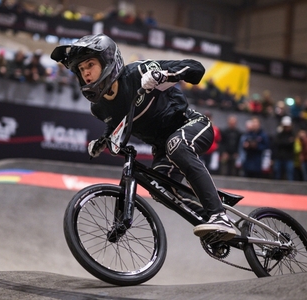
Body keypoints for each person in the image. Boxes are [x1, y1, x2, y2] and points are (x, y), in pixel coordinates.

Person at [50, 34, 236, 241]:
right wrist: (102, 140)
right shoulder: (99, 108)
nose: (86, 73)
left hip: (191, 125)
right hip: (163, 147)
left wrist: (164, 76)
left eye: (90, 65)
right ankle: (210, 223)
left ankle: (220, 216)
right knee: (160, 190)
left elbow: (196, 68)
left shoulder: (139, 71)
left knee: (177, 145)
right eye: (81, 69)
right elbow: (115, 123)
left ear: (107, 62)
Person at [272, 116, 295, 181]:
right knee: (277, 175)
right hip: (279, 158)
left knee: (290, 176)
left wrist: (284, 143)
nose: (287, 128)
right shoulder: (279, 135)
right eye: (285, 126)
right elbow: (276, 143)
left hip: (289, 158)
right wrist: (287, 142)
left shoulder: (292, 134)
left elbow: (291, 144)